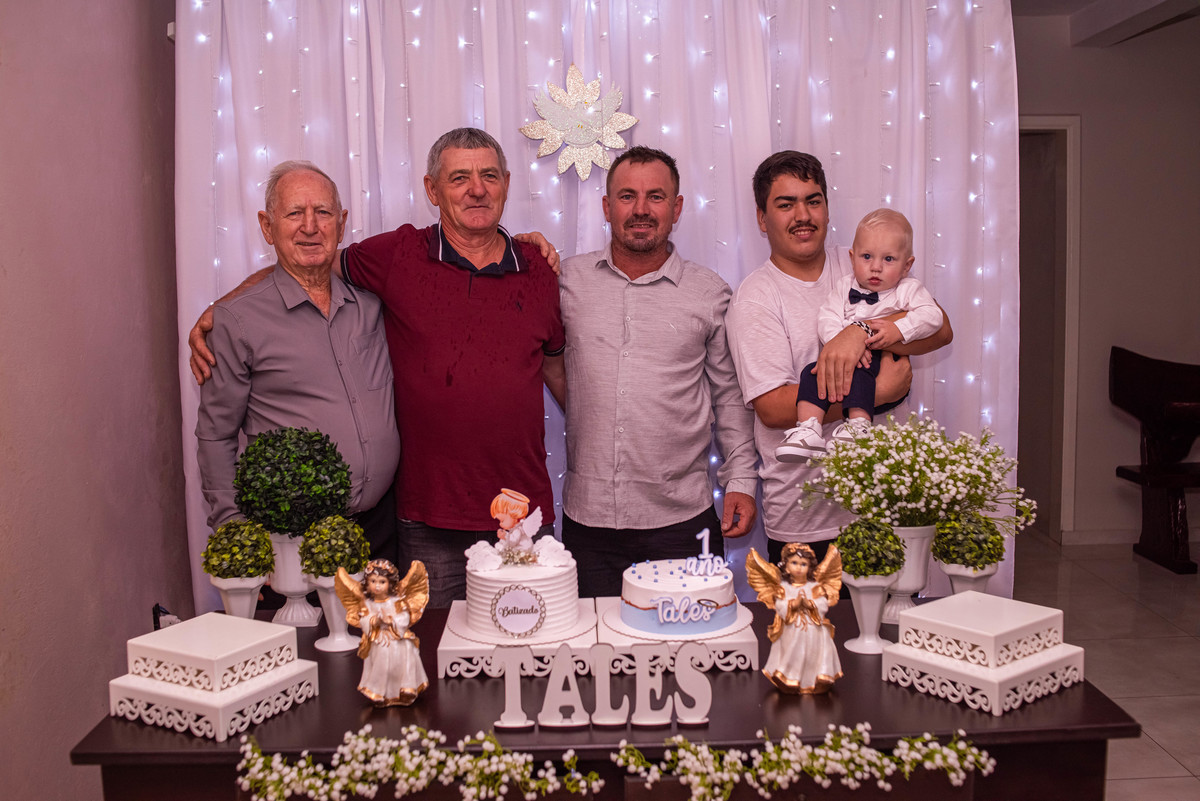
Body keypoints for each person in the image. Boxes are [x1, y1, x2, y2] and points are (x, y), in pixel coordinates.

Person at [190, 129, 564, 608]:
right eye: (459, 178)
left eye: (489, 176)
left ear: (507, 184)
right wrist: (220, 310)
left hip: (518, 514)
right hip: (424, 519)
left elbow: (557, 367)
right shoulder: (396, 257)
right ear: (432, 190)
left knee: (526, 636)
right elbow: (308, 260)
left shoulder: (537, 268)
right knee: (425, 643)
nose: (476, 189)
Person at [727, 152, 952, 565]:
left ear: (827, 209)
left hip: (887, 504)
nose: (803, 215)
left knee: (895, 607)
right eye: (786, 204)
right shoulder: (755, 297)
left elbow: (939, 328)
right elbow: (773, 408)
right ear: (762, 218)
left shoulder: (864, 258)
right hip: (806, 518)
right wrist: (874, 394)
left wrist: (858, 331)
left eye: (813, 201)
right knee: (810, 613)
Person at [557, 146, 758, 597]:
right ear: (607, 207)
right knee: (593, 641)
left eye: (656, 196)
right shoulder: (567, 282)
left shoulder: (709, 293)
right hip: (588, 523)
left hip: (682, 523)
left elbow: (729, 398)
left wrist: (742, 481)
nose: (641, 210)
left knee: (693, 639)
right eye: (627, 196)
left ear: (677, 208)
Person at [195, 161, 401, 562]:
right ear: (267, 226)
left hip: (381, 531)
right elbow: (216, 435)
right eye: (294, 213)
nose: (310, 226)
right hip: (290, 541)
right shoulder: (238, 321)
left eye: (322, 212)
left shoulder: (372, 304)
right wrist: (237, 533)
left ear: (341, 223)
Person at [776, 208, 943, 461]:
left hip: (879, 359)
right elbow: (827, 316)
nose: (875, 267)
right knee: (811, 373)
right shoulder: (845, 286)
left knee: (861, 375)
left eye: (889, 259)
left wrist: (898, 329)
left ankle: (858, 428)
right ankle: (808, 430)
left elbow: (933, 316)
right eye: (866, 257)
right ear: (852, 258)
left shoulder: (908, 289)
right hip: (843, 360)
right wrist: (839, 343)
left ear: (907, 265)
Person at [748, 544, 843, 694]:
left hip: (813, 622)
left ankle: (822, 674)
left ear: (809, 567)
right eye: (794, 563)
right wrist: (793, 604)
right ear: (786, 567)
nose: (799, 567)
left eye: (803, 564)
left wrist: (810, 604)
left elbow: (823, 604)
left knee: (823, 634)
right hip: (792, 623)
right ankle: (789, 676)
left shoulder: (815, 587)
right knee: (796, 635)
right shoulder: (783, 588)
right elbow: (779, 606)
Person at [337, 559, 430, 707]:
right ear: (367, 583)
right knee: (382, 652)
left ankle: (407, 687)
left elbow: (405, 617)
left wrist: (391, 621)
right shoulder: (367, 603)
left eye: (382, 582)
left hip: (396, 635)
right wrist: (374, 621)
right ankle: (378, 692)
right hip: (379, 637)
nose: (377, 586)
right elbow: (363, 620)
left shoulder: (397, 600)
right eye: (373, 581)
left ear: (390, 583)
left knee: (408, 647)